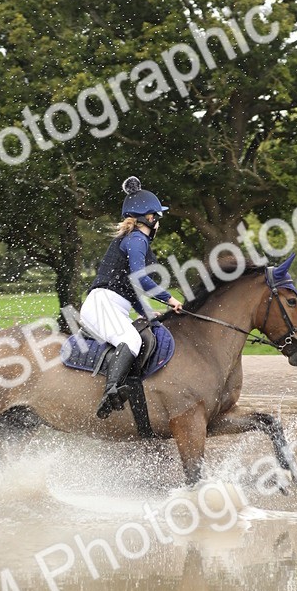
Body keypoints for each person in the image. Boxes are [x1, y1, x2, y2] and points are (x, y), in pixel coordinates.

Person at [80, 176, 183, 419]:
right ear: (150, 218)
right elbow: (140, 279)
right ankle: (110, 392)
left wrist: (146, 313)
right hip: (103, 304)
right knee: (131, 340)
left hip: (112, 305)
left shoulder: (135, 239)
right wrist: (170, 299)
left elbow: (130, 286)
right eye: (158, 217)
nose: (159, 223)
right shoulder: (137, 239)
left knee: (137, 336)